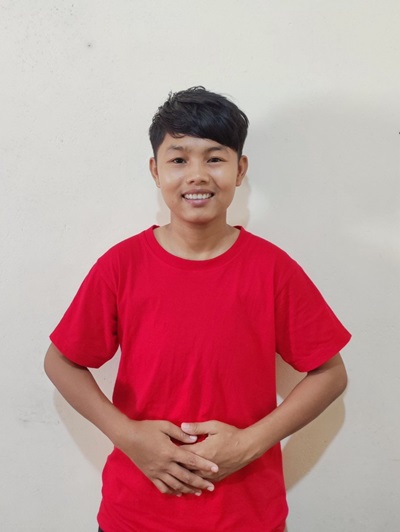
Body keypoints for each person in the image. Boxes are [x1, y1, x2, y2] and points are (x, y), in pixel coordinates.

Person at [44, 86, 351, 532]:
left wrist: (249, 444)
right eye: (179, 159)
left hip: (247, 517)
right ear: (155, 171)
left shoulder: (272, 269)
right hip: (135, 515)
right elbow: (61, 361)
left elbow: (330, 374)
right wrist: (128, 436)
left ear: (240, 170)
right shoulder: (122, 266)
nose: (197, 175)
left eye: (215, 158)